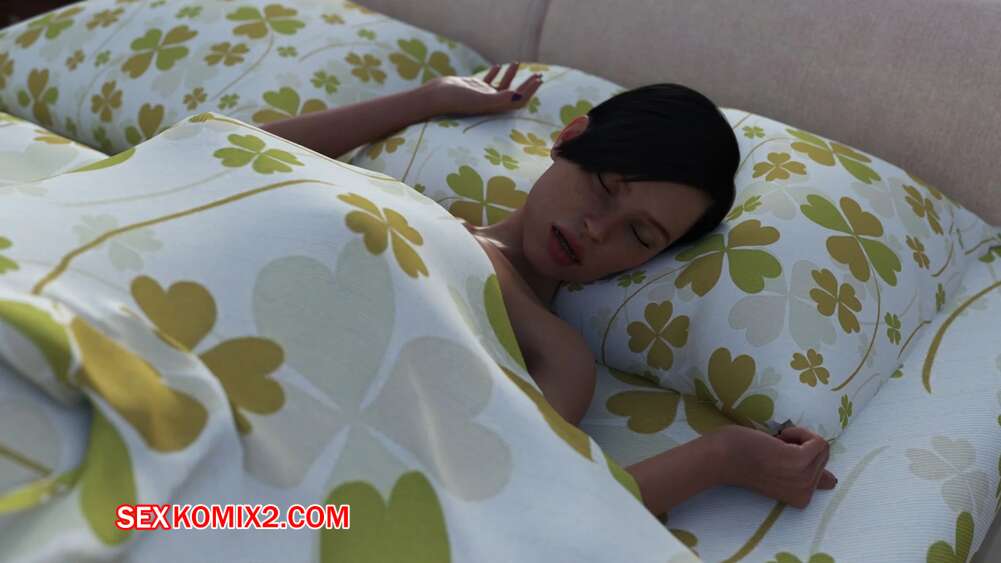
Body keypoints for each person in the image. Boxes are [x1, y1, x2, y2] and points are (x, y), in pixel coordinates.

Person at [261, 63, 837, 520]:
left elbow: (516, 502)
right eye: (605, 188)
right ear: (569, 139)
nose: (598, 230)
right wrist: (430, 98)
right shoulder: (408, 206)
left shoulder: (558, 353)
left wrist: (724, 456)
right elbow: (238, 154)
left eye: (639, 235)